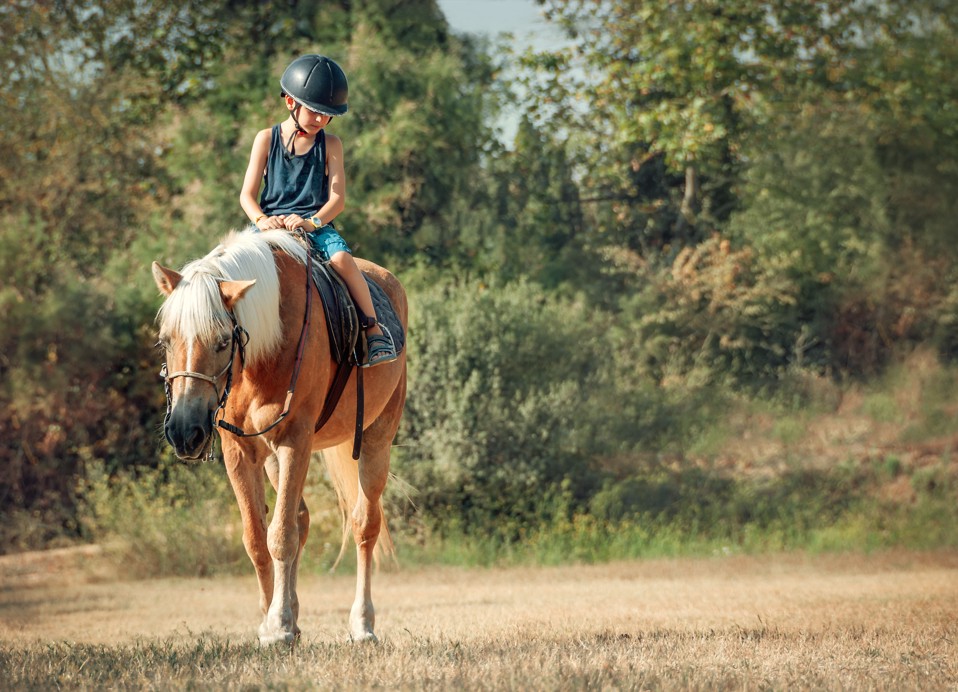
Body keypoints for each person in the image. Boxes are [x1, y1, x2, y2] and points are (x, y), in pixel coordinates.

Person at [239, 54, 397, 367]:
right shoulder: (265, 139)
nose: (321, 120)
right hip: (269, 225)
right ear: (290, 103)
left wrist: (312, 222)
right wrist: (262, 219)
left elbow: (337, 199)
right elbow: (247, 195)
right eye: (315, 112)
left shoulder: (332, 144)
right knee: (231, 262)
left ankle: (373, 330)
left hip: (315, 224)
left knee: (341, 260)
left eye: (328, 116)